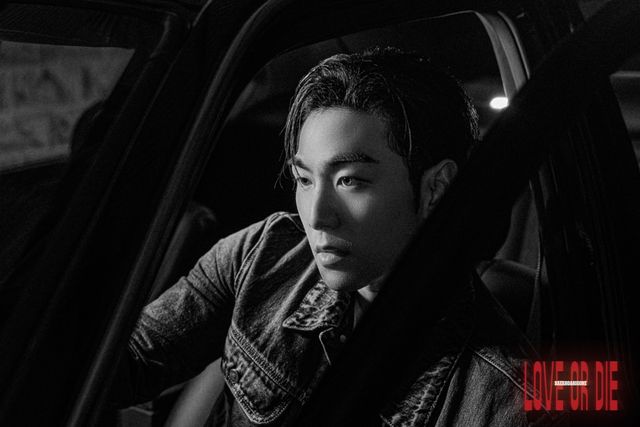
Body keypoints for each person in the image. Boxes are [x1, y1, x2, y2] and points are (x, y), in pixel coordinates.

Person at [115, 47, 559, 426]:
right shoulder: (262, 256)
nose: (317, 216)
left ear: (436, 188)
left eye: (350, 181)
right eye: (305, 180)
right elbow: (124, 364)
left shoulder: (502, 397)